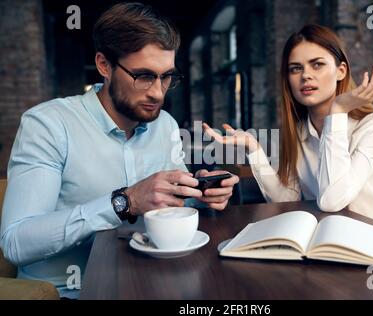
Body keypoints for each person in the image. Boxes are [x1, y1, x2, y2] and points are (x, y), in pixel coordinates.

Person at [0, 2, 238, 298]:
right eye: (144, 76)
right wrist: (124, 202)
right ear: (104, 65)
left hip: (154, 284)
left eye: (167, 77)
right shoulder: (48, 124)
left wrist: (200, 194)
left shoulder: (165, 124)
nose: (157, 92)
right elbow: (16, 243)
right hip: (70, 292)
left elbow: (170, 210)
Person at [204, 24, 373, 227]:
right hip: (323, 238)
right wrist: (254, 148)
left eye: (317, 65)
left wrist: (338, 111)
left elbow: (333, 200)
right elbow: (287, 200)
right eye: (296, 68)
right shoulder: (299, 132)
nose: (305, 75)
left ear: (341, 71)